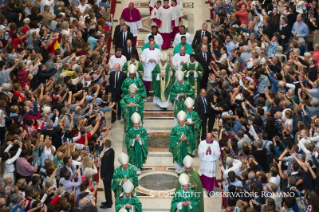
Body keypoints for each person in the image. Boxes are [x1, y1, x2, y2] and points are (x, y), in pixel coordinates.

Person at [100, 139, 115, 209]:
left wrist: (102, 175)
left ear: (104, 145)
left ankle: (108, 203)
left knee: (107, 189)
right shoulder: (111, 151)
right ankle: (109, 201)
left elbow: (104, 167)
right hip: (110, 172)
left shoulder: (106, 155)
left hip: (106, 175)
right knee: (108, 188)